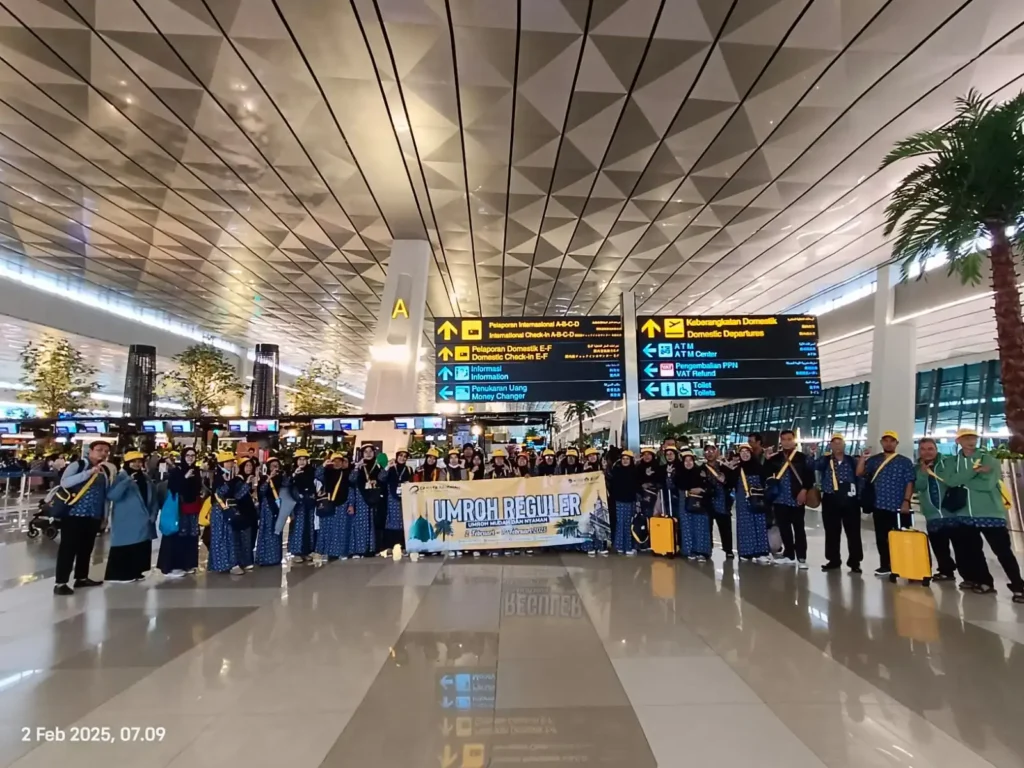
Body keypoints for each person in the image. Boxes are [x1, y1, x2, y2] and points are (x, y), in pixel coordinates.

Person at [942, 427, 1024, 602]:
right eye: (966, 438)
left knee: (1002, 551)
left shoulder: (989, 459)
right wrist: (974, 472)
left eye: (973, 437)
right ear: (958, 441)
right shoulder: (952, 461)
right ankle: (985, 581)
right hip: (964, 514)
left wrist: (962, 482)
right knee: (974, 552)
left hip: (990, 513)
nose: (970, 441)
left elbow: (987, 485)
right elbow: (950, 481)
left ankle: (1018, 586)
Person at [53, 441, 111, 595]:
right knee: (68, 548)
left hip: (93, 516)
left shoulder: (104, 471)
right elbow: (65, 482)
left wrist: (104, 516)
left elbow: (104, 496)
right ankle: (61, 582)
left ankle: (81, 577)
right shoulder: (78, 465)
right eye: (99, 450)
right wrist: (88, 473)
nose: (103, 453)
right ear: (90, 451)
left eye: (106, 451)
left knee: (86, 548)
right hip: (73, 514)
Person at [856, 430, 916, 577]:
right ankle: (885, 565)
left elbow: (909, 482)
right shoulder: (874, 460)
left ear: (896, 443)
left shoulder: (904, 461)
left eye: (892, 441)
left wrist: (906, 501)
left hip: (899, 506)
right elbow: (859, 473)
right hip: (880, 505)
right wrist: (863, 458)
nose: (888, 443)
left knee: (902, 536)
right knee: (882, 537)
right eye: (886, 440)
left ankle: (903, 564)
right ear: (882, 442)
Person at [104, 450, 159, 583]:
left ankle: (136, 571)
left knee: (140, 546)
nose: (137, 464)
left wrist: (153, 513)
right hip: (126, 520)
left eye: (139, 461)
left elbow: (153, 497)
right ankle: (119, 575)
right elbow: (112, 496)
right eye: (133, 461)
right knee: (125, 545)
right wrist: (127, 481)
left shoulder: (145, 478)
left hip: (144, 518)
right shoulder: (121, 477)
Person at [915, 438, 964, 583]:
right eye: (923, 449)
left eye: (930, 448)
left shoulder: (948, 463)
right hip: (932, 515)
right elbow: (918, 487)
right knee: (939, 546)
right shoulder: (917, 468)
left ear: (936, 449)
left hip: (953, 512)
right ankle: (946, 571)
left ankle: (969, 576)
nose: (927, 452)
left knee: (961, 548)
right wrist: (923, 473)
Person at [765, 430, 815, 569]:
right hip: (779, 498)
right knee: (784, 527)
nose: (787, 442)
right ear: (780, 441)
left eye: (789, 439)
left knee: (798, 527)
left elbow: (809, 476)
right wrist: (767, 460)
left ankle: (801, 556)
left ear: (794, 440)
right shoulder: (775, 458)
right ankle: (789, 554)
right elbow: (766, 475)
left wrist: (804, 490)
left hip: (796, 496)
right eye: (784, 439)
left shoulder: (801, 457)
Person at [816, 435, 863, 573]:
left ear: (844, 445)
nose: (837, 446)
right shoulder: (825, 461)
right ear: (830, 446)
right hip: (830, 499)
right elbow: (811, 465)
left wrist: (859, 496)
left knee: (853, 532)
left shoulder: (852, 461)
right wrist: (812, 452)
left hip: (850, 500)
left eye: (839, 443)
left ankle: (855, 561)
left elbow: (860, 477)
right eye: (834, 443)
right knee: (831, 531)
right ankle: (833, 559)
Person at [156, 447, 203, 577]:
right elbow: (173, 487)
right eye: (188, 455)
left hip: (192, 509)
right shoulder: (177, 471)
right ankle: (173, 566)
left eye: (193, 455)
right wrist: (185, 478)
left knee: (191, 536)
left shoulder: (196, 471)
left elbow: (197, 488)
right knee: (177, 536)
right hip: (179, 510)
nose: (190, 458)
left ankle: (188, 564)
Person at [208, 451, 255, 575]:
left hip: (231, 510)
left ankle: (234, 563)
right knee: (222, 537)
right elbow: (218, 494)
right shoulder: (219, 477)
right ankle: (224, 564)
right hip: (220, 511)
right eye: (227, 462)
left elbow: (238, 495)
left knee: (232, 537)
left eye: (231, 462)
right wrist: (228, 482)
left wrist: (247, 484)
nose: (229, 464)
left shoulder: (233, 477)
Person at [729, 444, 771, 564]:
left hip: (758, 500)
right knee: (745, 526)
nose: (745, 454)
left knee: (759, 524)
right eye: (742, 452)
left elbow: (766, 478)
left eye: (747, 451)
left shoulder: (758, 467)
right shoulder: (737, 469)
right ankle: (746, 553)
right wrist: (728, 470)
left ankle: (761, 552)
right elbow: (729, 483)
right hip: (743, 502)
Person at [316, 452, 352, 561]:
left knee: (340, 529)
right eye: (334, 461)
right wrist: (323, 465)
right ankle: (327, 551)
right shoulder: (326, 473)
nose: (337, 463)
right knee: (327, 529)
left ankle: (339, 552)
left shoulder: (346, 474)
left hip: (342, 504)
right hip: (328, 504)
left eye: (339, 461)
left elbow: (351, 488)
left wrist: (351, 504)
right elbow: (317, 474)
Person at [678, 450, 711, 561]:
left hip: (700, 504)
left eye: (690, 460)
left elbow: (709, 487)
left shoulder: (700, 472)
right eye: (685, 461)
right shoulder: (679, 474)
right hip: (685, 504)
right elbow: (673, 485)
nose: (688, 463)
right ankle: (689, 551)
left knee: (700, 527)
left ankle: (701, 552)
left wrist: (701, 489)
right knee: (687, 527)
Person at [702, 443, 733, 558]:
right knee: (707, 526)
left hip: (722, 501)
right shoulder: (701, 468)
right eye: (707, 451)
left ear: (717, 452)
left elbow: (731, 483)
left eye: (712, 451)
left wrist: (725, 481)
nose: (709, 453)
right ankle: (708, 548)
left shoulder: (725, 468)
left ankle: (728, 549)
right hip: (707, 501)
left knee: (725, 526)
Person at [352, 444, 383, 557]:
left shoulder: (378, 465)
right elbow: (351, 480)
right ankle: (361, 549)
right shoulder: (358, 467)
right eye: (366, 452)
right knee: (362, 524)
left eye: (371, 451)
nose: (368, 454)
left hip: (375, 497)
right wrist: (356, 467)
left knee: (374, 523)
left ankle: (373, 549)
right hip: (361, 498)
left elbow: (382, 478)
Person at [287, 449, 317, 563]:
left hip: (309, 502)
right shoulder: (291, 472)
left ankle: (307, 551)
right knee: (298, 527)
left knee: (308, 526)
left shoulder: (311, 471)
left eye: (304, 459)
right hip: (297, 504)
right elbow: (287, 484)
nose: (302, 462)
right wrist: (294, 475)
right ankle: (296, 552)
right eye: (300, 459)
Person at [254, 457, 284, 566]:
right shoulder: (264, 478)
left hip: (279, 507)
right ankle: (264, 558)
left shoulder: (282, 478)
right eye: (272, 465)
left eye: (277, 465)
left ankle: (275, 558)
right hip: (267, 508)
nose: (275, 467)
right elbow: (261, 492)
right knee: (267, 531)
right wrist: (269, 478)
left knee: (277, 531)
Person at [608, 451, 639, 555]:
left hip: (631, 500)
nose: (625, 461)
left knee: (629, 523)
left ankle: (629, 546)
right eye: (623, 459)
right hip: (619, 500)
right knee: (620, 523)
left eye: (627, 459)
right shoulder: (616, 470)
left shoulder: (635, 471)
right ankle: (620, 546)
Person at [381, 449, 412, 551]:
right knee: (392, 520)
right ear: (397, 456)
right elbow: (381, 478)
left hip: (405, 497)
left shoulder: (409, 469)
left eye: (404, 456)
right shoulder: (391, 468)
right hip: (392, 497)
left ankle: (403, 545)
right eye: (400, 456)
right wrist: (387, 467)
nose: (402, 458)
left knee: (404, 521)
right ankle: (391, 545)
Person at [636, 448, 663, 551]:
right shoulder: (639, 468)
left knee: (655, 518)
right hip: (643, 499)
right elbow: (635, 481)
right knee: (643, 520)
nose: (647, 457)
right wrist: (642, 484)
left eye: (649, 454)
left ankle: (655, 541)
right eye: (645, 454)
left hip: (656, 499)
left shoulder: (658, 467)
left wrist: (652, 484)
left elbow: (661, 481)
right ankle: (643, 542)